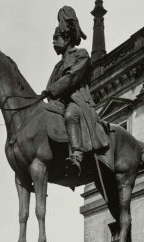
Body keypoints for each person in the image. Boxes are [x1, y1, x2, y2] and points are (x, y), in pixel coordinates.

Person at [40, 6, 109, 176]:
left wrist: (50, 91)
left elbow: (72, 77)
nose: (53, 41)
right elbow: (51, 86)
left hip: (77, 101)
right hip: (58, 104)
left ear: (67, 38)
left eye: (56, 37)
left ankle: (77, 155)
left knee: (71, 115)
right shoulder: (57, 66)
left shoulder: (81, 54)